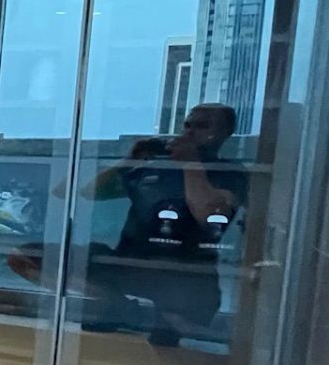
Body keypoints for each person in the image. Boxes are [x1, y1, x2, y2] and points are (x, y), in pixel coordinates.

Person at [81, 103, 246, 345]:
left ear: (225, 133)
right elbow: (87, 192)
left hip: (185, 276)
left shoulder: (229, 172)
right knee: (33, 258)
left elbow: (208, 215)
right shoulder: (156, 169)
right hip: (130, 265)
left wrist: (191, 164)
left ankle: (154, 321)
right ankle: (120, 306)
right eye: (187, 125)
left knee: (172, 335)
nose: (189, 132)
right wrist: (128, 161)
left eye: (202, 126)